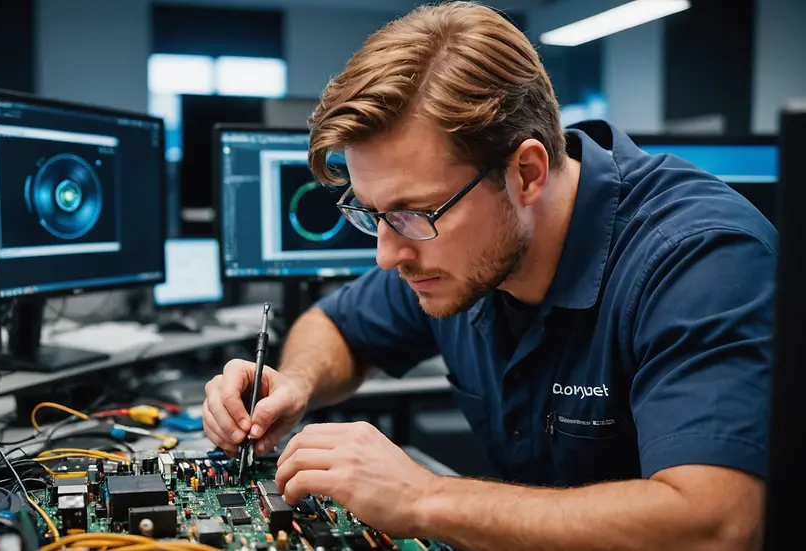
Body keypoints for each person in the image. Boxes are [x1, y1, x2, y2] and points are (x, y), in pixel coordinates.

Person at [202, 2, 774, 549]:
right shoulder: (456, 252)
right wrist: (297, 384)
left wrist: (423, 498)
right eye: (371, 213)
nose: (386, 254)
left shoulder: (700, 260)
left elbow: (716, 526)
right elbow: (339, 325)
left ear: (526, 172)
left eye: (411, 213)